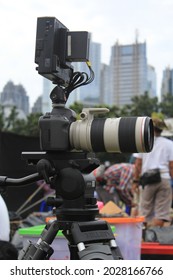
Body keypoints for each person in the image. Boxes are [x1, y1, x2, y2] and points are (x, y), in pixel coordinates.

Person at [133, 116, 173, 227]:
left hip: (148, 179)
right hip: (164, 178)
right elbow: (172, 166)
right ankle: (155, 237)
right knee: (161, 213)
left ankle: (144, 237)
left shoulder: (142, 143)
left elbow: (138, 164)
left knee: (144, 212)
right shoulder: (169, 144)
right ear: (162, 129)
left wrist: (135, 181)